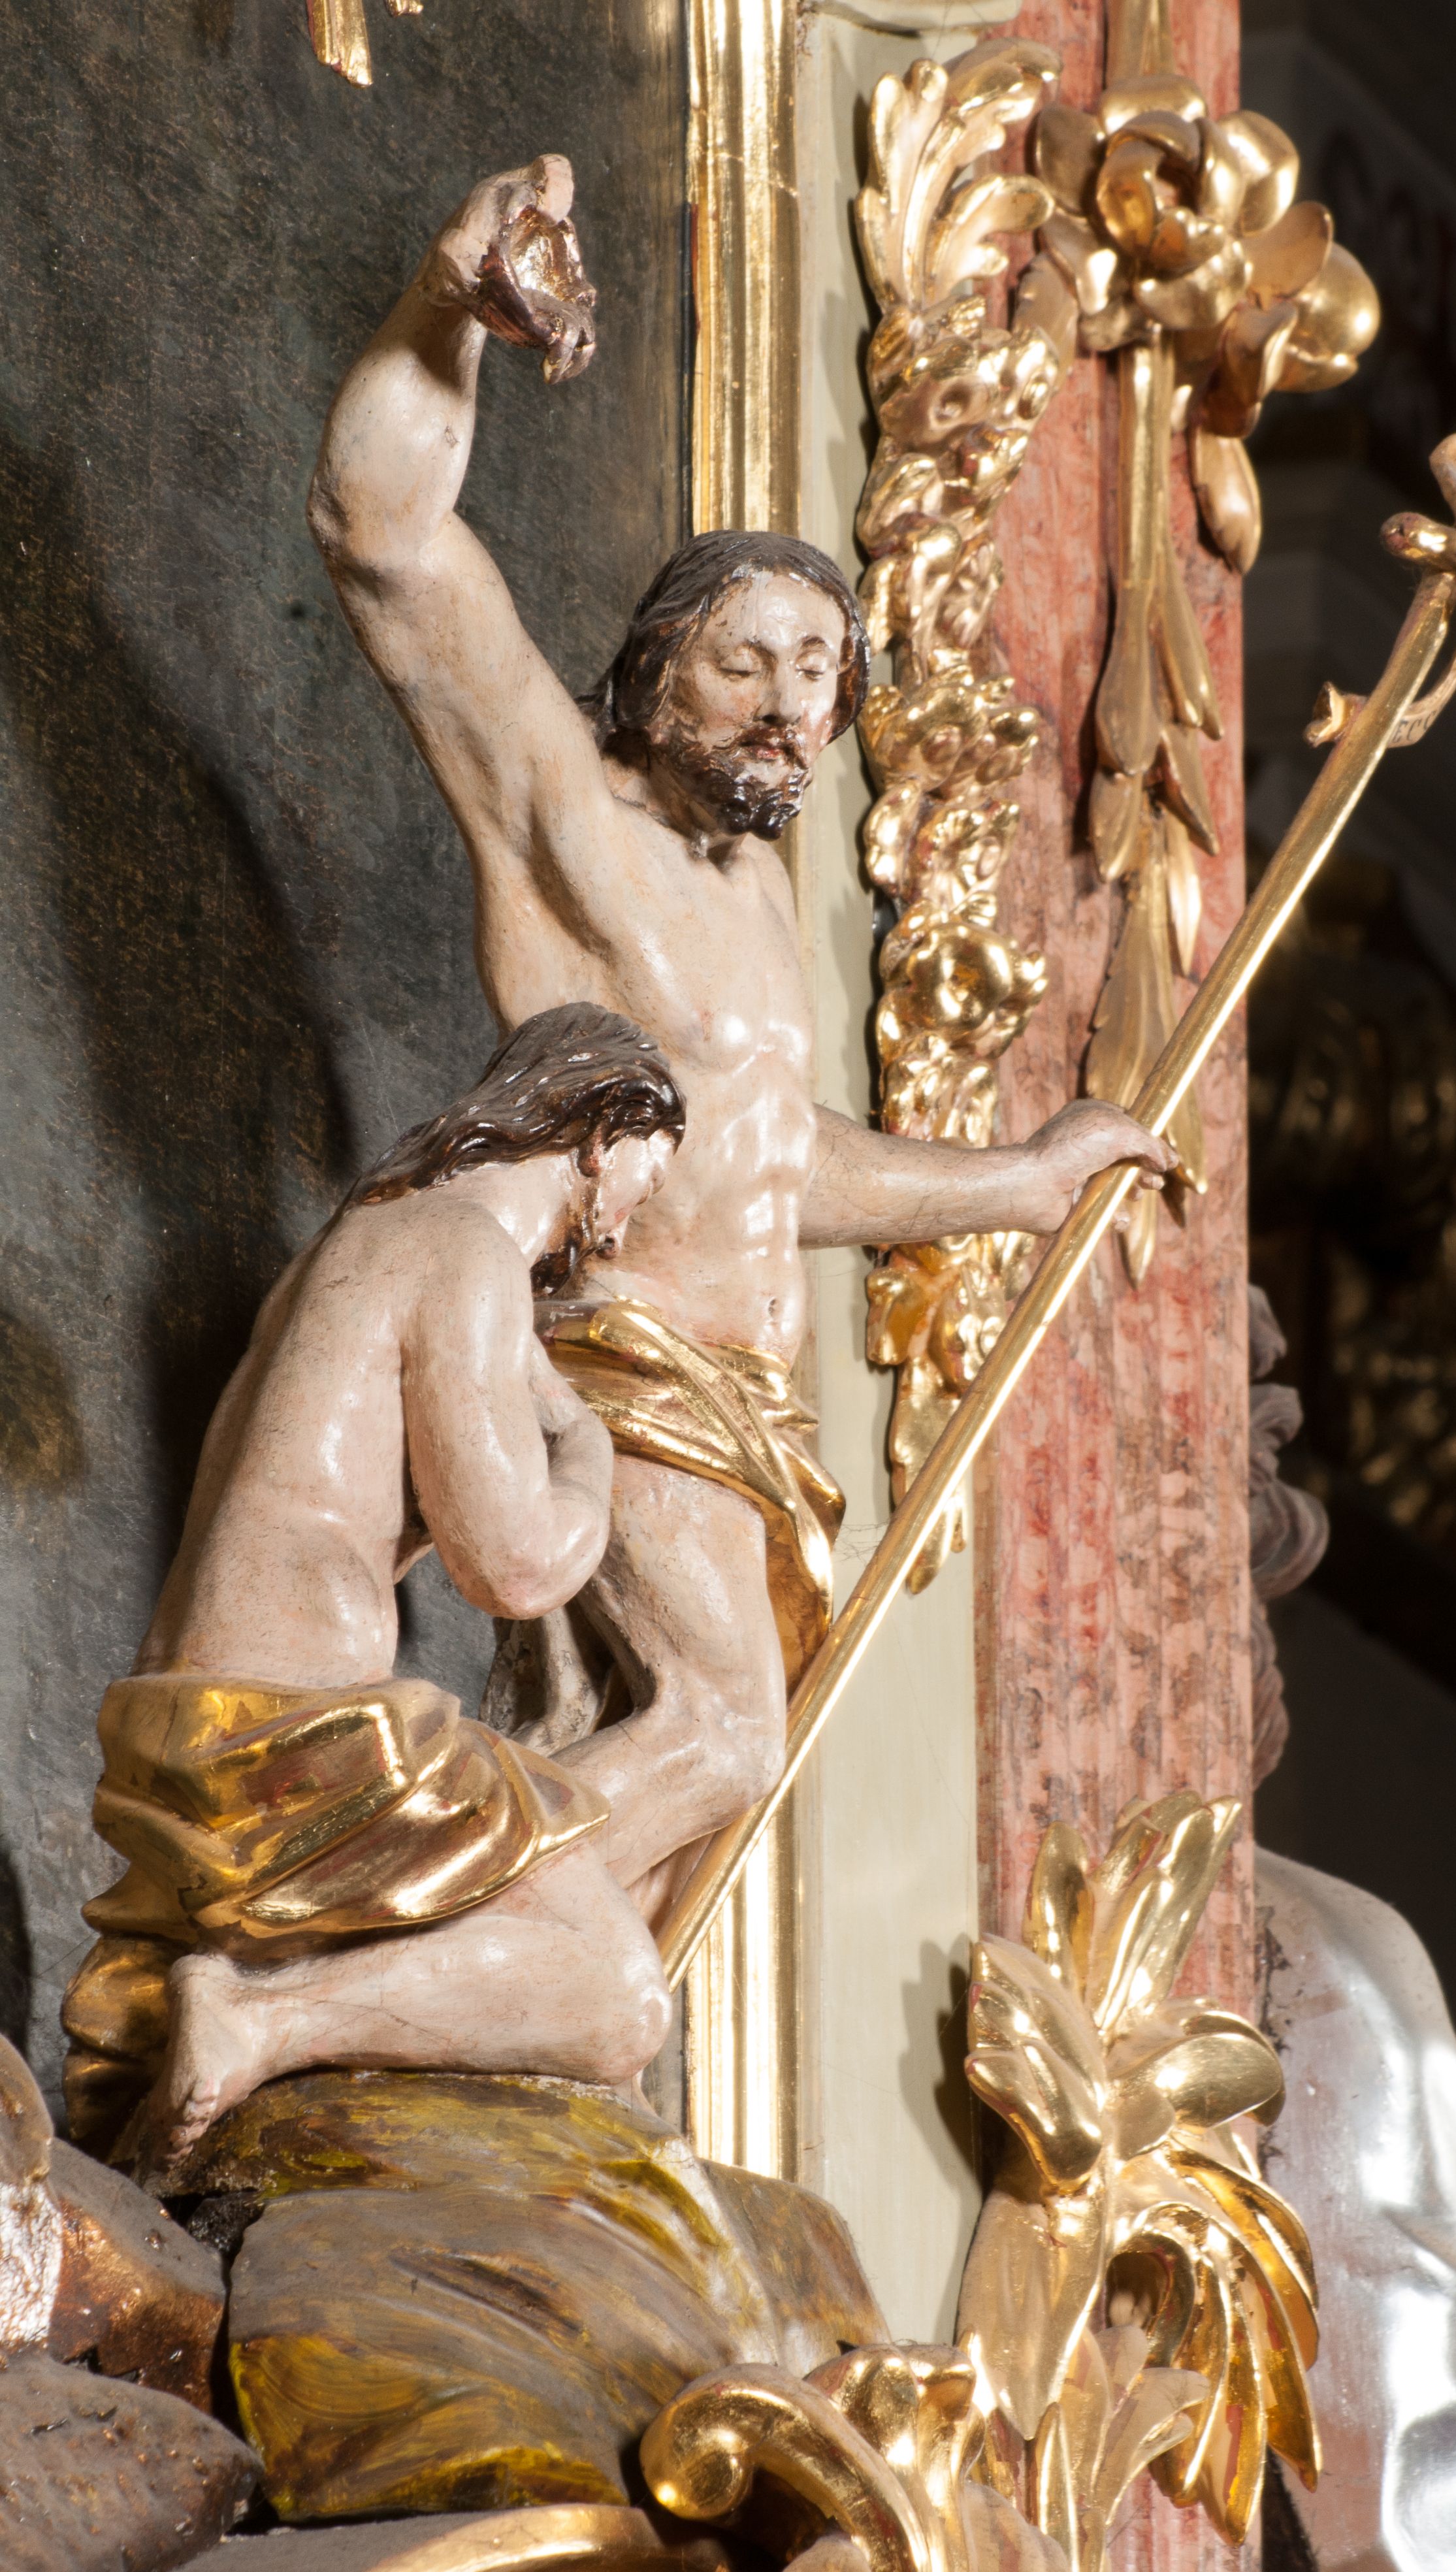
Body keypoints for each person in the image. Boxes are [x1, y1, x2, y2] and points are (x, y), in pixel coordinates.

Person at [306, 154, 1176, 1927]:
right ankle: (392, 1943)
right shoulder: (573, 813)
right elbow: (384, 540)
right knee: (718, 1733)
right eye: (745, 662)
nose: (789, 705)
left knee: (666, 1814)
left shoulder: (761, 900)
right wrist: (449, 304)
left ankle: (488, 1992)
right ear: (653, 672)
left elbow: (776, 1157)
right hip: (617, 1361)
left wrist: (1016, 1182)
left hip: (742, 1407)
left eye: (818, 671)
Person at [62, 1004, 687, 2172]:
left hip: (178, 1721)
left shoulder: (364, 1238)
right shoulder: (466, 1253)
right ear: (601, 1135)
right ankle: (258, 2021)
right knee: (615, 1995)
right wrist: (588, 1453)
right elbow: (512, 1564)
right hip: (293, 1733)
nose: (619, 1229)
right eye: (641, 1187)